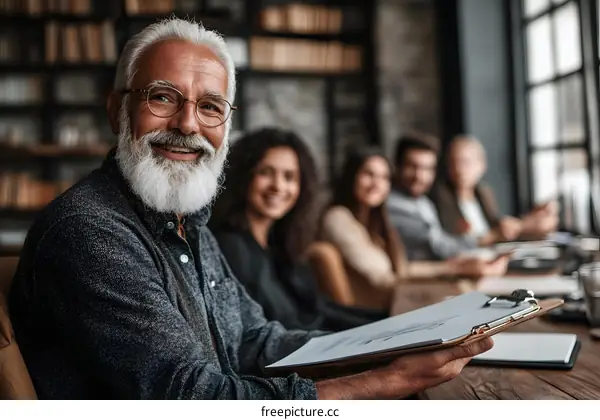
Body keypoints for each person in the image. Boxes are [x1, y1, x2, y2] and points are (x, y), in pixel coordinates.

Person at [8, 18, 493, 400]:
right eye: (162, 97)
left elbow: (254, 341)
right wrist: (384, 382)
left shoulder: (187, 220)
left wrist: (403, 339)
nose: (187, 124)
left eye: (211, 107)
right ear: (117, 111)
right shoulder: (91, 231)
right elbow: (193, 401)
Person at [209, 127, 387, 331]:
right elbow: (278, 329)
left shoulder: (280, 243)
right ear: (244, 176)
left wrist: (389, 323)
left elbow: (319, 311)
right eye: (265, 173)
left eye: (289, 177)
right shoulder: (230, 246)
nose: (278, 186)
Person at [319, 146, 509, 311]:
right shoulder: (338, 219)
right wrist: (454, 271)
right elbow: (383, 280)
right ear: (351, 176)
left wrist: (457, 267)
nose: (377, 184)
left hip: (394, 304)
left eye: (384, 177)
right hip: (377, 314)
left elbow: (401, 270)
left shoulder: (374, 221)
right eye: (368, 174)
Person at [387, 132, 514, 261]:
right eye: (412, 166)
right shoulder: (394, 205)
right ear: (397, 166)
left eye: (427, 169)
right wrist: (489, 238)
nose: (419, 176)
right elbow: (439, 247)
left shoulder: (423, 202)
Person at [431, 134, 558, 240]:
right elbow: (456, 240)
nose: (459, 169)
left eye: (466, 163)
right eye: (454, 162)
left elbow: (496, 225)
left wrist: (530, 219)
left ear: (481, 165)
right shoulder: (440, 196)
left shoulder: (483, 193)